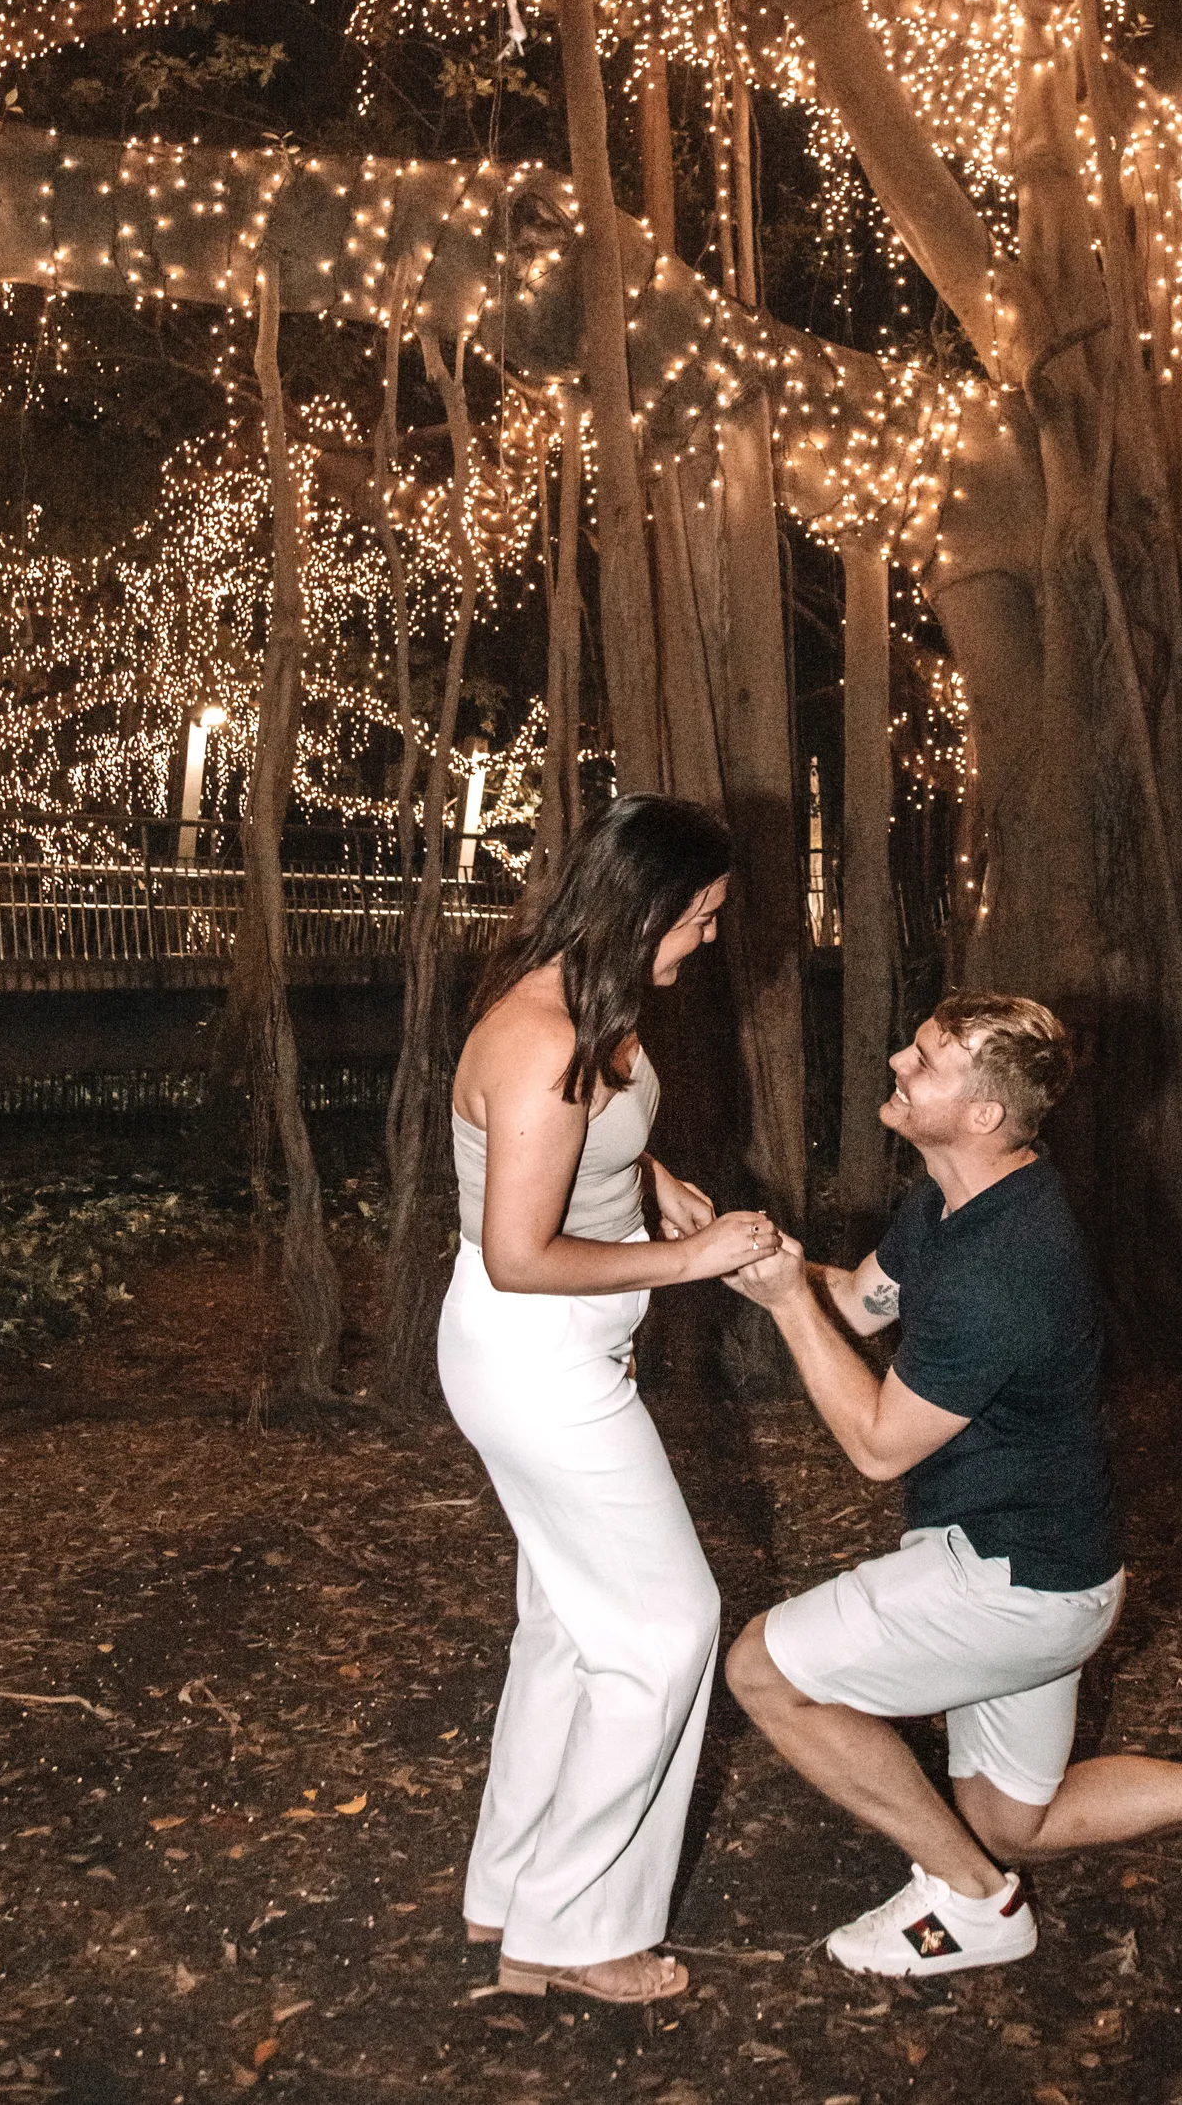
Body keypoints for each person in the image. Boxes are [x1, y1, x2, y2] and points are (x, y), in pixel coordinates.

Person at [724, 993, 1182, 1977]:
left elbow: (875, 1446)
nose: (899, 1059)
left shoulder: (1007, 1265)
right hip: (1051, 1570)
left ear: (982, 1113)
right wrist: (761, 1260)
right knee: (1013, 1821)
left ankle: (973, 1906)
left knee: (762, 1672)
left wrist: (780, 1306)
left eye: (928, 1058)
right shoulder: (952, 1197)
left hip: (1007, 1583)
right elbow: (858, 1304)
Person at [438, 794, 783, 2007]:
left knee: (573, 1629)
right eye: (699, 916)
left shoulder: (593, 1005)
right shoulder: (540, 1036)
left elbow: (585, 1139)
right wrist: (683, 1259)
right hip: (532, 1349)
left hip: (563, 1345)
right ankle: (571, 1926)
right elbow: (517, 1251)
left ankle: (510, 1889)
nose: (704, 938)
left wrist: (658, 1178)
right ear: (647, 909)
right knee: (665, 1626)